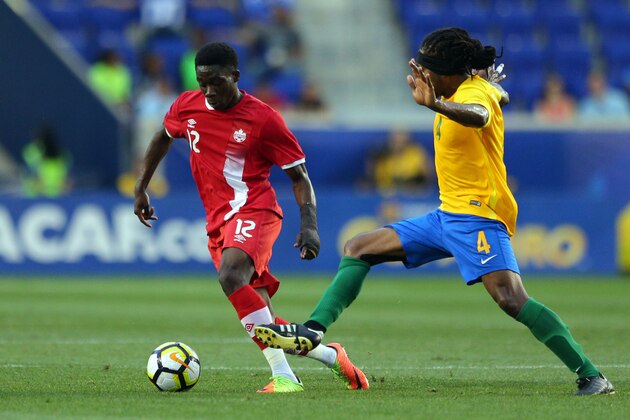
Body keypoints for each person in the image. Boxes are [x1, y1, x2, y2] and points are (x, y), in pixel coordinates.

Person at [254, 28, 615, 397]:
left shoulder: (471, 94)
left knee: (510, 298)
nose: (423, 76)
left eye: (429, 70)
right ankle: (313, 331)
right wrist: (490, 91)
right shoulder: (469, 87)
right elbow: (495, 96)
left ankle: (592, 375)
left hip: (479, 216)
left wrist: (439, 104)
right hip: (446, 216)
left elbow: (478, 114)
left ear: (449, 73)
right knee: (359, 246)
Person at [133, 42, 368, 393]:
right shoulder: (187, 105)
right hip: (218, 220)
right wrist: (141, 187)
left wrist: (309, 225)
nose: (209, 90)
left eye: (217, 82)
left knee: (231, 275)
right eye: (203, 82)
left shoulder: (263, 119)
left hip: (255, 209)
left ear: (236, 76)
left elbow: (299, 175)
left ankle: (287, 376)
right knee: (260, 313)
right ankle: (328, 359)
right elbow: (163, 138)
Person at [365, 129, 432, 194]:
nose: (398, 144)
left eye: (402, 141)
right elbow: (372, 178)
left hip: (411, 193)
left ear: (407, 141)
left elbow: (428, 177)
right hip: (386, 192)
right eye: (395, 141)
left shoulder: (416, 154)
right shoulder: (381, 156)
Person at [21, 125, 71, 197]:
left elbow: (67, 181)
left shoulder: (63, 156)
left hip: (53, 196)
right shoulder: (32, 152)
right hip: (36, 196)